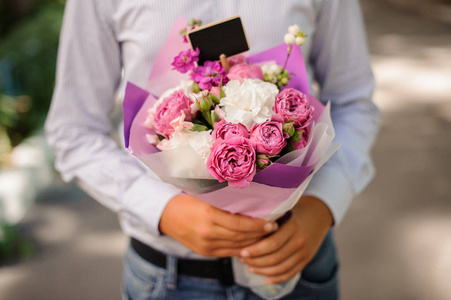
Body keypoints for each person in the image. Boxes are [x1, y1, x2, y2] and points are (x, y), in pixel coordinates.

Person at [45, 0, 380, 299]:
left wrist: (322, 206)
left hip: (299, 264)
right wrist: (163, 210)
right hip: (170, 278)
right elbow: (74, 131)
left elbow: (354, 103)